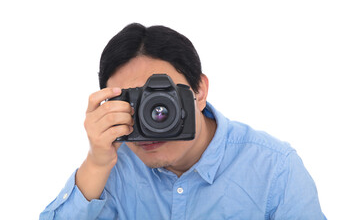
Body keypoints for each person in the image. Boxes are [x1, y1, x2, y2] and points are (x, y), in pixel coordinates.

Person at [40, 23, 326, 219]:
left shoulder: (275, 169)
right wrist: (96, 162)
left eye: (161, 98)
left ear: (199, 91)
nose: (152, 116)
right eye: (133, 102)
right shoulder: (114, 167)